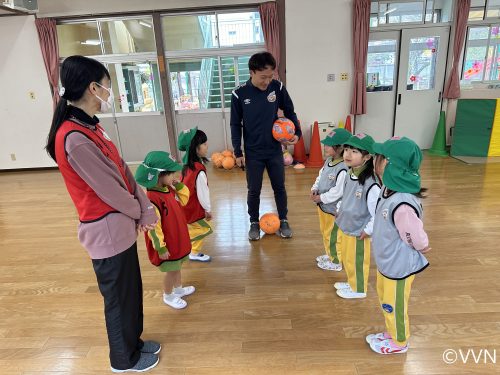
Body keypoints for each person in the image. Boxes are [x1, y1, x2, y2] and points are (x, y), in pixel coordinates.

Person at [45, 55, 160, 372]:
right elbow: (108, 189)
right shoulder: (74, 137)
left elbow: (122, 169)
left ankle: (134, 343)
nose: (111, 93)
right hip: (106, 231)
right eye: (108, 86)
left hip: (121, 225)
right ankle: (123, 359)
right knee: (118, 298)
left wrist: (143, 206)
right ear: (93, 87)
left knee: (130, 289)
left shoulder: (91, 127)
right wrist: (142, 211)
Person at [367, 136, 431, 354]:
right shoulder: (388, 189)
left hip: (399, 266)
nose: (375, 160)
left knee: (394, 305)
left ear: (388, 165)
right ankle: (392, 331)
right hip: (388, 262)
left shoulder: (402, 202)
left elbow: (415, 234)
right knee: (386, 299)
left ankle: (400, 342)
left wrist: (421, 246)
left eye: (379, 157)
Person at [230, 52, 302, 241]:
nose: (267, 81)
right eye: (263, 77)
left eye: (270, 76)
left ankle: (284, 219)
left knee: (280, 187)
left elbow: (290, 111)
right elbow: (235, 124)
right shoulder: (239, 93)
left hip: (274, 150)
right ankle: (254, 222)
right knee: (254, 190)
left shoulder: (277, 87)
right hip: (253, 153)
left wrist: (297, 133)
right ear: (252, 72)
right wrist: (238, 151)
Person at [135, 151, 195, 309]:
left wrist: (178, 185)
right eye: (171, 174)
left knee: (177, 266)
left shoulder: (169, 188)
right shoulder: (152, 199)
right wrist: (160, 247)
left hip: (177, 237)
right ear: (159, 175)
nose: (175, 177)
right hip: (166, 243)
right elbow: (153, 228)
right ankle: (168, 295)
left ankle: (178, 289)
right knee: (172, 270)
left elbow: (184, 199)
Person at [333, 133, 381, 299]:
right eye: (346, 149)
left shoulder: (370, 184)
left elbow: (376, 213)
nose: (347, 154)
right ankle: (351, 281)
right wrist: (339, 208)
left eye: (354, 151)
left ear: (366, 157)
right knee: (347, 259)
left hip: (359, 231)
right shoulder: (349, 174)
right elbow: (345, 196)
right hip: (346, 225)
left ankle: (359, 289)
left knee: (357, 261)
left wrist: (368, 230)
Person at [310, 128, 352, 271]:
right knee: (325, 232)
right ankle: (330, 254)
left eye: (329, 145)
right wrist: (314, 189)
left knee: (333, 236)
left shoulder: (343, 168)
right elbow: (320, 176)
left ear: (340, 148)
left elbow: (338, 192)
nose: (325, 147)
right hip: (323, 207)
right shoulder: (329, 160)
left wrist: (320, 197)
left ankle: (336, 261)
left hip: (333, 210)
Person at [177, 128, 213, 262]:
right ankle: (190, 248)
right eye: (204, 144)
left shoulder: (188, 166)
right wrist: (208, 210)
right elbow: (203, 193)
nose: (207, 145)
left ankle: (191, 249)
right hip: (192, 208)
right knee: (204, 228)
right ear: (195, 149)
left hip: (185, 206)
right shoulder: (199, 170)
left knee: (196, 228)